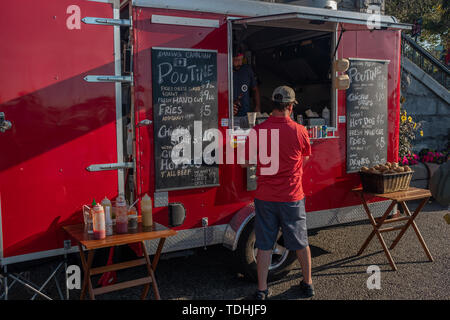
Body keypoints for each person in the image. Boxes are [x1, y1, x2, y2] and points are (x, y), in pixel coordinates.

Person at [243, 85, 313, 300]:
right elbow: (306, 157)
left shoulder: (257, 131)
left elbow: (247, 163)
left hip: (265, 197)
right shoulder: (300, 131)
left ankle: (262, 290)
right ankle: (307, 284)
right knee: (300, 242)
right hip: (292, 197)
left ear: (272, 106)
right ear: (290, 107)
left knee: (264, 245)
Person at [232, 47, 261, 119]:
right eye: (236, 60)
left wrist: (257, 107)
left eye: (241, 60)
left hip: (245, 114)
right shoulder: (224, 70)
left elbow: (255, 89)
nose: (239, 63)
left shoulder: (247, 70)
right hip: (228, 116)